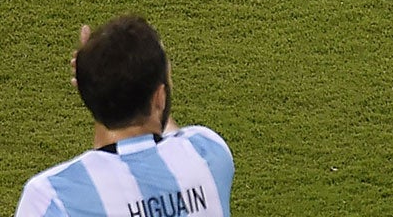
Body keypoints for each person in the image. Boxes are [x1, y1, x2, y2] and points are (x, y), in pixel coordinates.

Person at [15, 16, 234, 217]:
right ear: (159, 96)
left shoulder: (51, 197)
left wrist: (95, 80)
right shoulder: (208, 153)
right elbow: (163, 130)